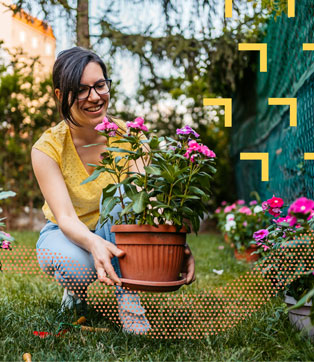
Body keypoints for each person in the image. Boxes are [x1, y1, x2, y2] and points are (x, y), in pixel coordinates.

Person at [31, 47, 195, 334]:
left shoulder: (131, 138)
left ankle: (128, 302)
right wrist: (94, 244)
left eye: (99, 85)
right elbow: (66, 218)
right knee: (75, 268)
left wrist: (175, 242)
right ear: (60, 95)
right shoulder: (47, 148)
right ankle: (74, 292)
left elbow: (145, 204)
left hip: (118, 228)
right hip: (65, 231)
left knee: (125, 195)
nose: (94, 97)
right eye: (80, 90)